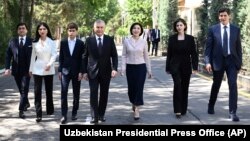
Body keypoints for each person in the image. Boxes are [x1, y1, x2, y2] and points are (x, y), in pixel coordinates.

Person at [204, 7, 242, 122]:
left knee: (233, 85)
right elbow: (208, 48)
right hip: (218, 61)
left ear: (229, 16)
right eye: (221, 16)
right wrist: (207, 62)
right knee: (216, 84)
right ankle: (211, 105)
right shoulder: (213, 29)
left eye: (225, 15)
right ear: (218, 17)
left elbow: (238, 47)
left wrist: (239, 63)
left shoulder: (236, 29)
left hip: (231, 61)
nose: (223, 18)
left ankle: (232, 112)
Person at [82, 19, 118, 124]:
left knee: (104, 94)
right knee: (93, 93)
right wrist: (84, 71)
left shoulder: (109, 40)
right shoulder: (89, 40)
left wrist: (114, 68)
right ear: (94, 28)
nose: (99, 29)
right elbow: (84, 57)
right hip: (92, 72)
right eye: (97, 27)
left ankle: (101, 115)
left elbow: (114, 55)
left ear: (104, 28)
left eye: (101, 27)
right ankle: (94, 116)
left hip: (106, 72)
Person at [165, 18, 198, 118]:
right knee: (177, 85)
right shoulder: (172, 39)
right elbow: (169, 54)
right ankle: (178, 110)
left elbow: (194, 54)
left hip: (186, 66)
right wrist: (167, 67)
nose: (179, 27)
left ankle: (183, 108)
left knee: (185, 87)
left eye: (181, 25)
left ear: (184, 26)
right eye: (177, 25)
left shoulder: (190, 39)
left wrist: (195, 67)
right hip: (174, 66)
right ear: (175, 27)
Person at [121, 22, 152, 120]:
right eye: (134, 28)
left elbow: (146, 56)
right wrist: (123, 68)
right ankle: (133, 102)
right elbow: (124, 55)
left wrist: (149, 70)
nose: (136, 30)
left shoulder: (144, 41)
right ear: (131, 30)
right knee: (131, 89)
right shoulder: (126, 41)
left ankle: (137, 109)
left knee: (139, 88)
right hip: (130, 67)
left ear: (141, 30)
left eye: (138, 28)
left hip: (141, 67)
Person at [29, 22, 57, 122]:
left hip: (49, 68)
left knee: (49, 91)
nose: (42, 31)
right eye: (40, 29)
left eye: (44, 29)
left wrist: (49, 64)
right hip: (37, 68)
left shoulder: (52, 42)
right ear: (38, 31)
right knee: (37, 92)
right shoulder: (34, 42)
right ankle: (38, 113)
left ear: (47, 30)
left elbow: (54, 55)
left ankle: (50, 109)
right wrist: (31, 69)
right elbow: (33, 57)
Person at [58, 22, 85, 124]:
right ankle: (64, 115)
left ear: (76, 31)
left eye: (73, 30)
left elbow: (82, 59)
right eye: (70, 30)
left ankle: (74, 112)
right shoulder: (63, 42)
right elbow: (61, 57)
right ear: (67, 31)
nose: (71, 32)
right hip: (65, 71)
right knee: (64, 93)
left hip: (76, 72)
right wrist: (60, 70)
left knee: (76, 93)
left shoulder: (80, 43)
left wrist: (81, 72)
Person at [4, 23, 32, 119]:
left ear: (26, 30)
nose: (21, 30)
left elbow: (36, 56)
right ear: (17, 31)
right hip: (16, 70)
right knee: (21, 89)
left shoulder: (31, 41)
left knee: (24, 89)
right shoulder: (13, 41)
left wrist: (34, 68)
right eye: (19, 28)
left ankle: (21, 110)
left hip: (27, 71)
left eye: (23, 28)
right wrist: (7, 68)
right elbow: (8, 55)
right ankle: (26, 102)